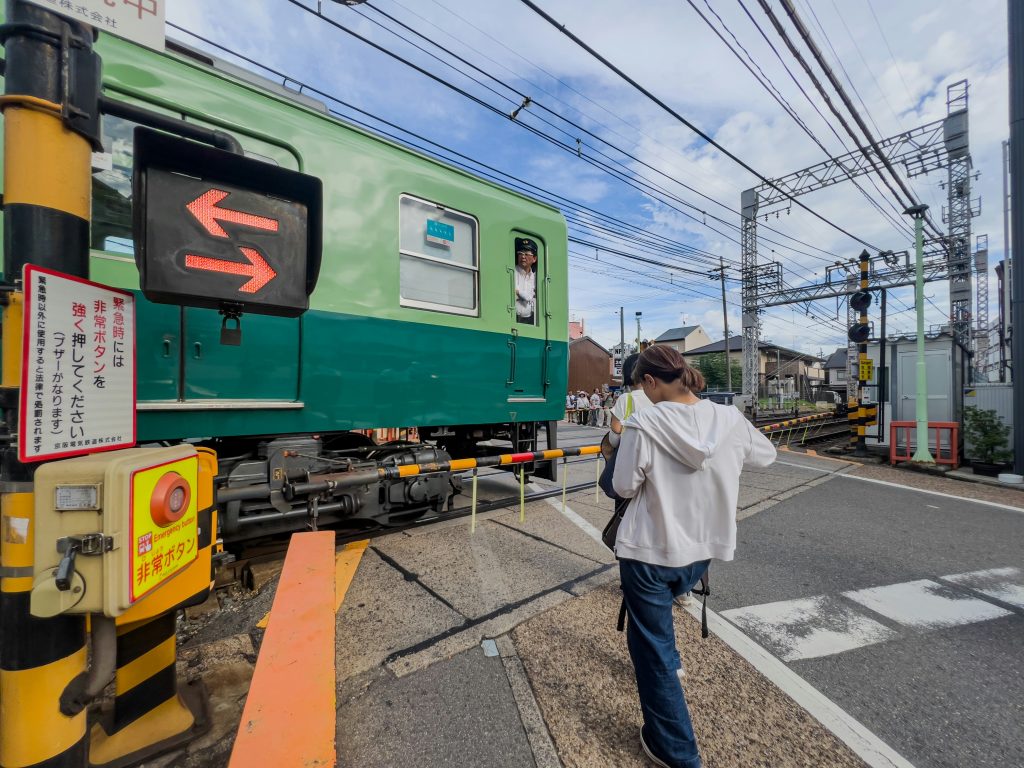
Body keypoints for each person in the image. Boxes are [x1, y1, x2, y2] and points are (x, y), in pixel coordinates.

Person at [612, 345, 776, 768]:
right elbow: (767, 455)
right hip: (702, 553)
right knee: (658, 629)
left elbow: (624, 486)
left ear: (650, 381)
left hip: (649, 550)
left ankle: (676, 751)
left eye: (641, 387)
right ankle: (673, 665)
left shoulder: (643, 422)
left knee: (649, 646)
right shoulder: (729, 419)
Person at [514, 237, 538, 324]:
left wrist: (518, 292)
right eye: (520, 253)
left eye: (527, 253)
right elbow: (528, 297)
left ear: (534, 258)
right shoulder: (512, 272)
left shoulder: (535, 277)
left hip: (530, 319)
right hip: (513, 318)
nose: (523, 256)